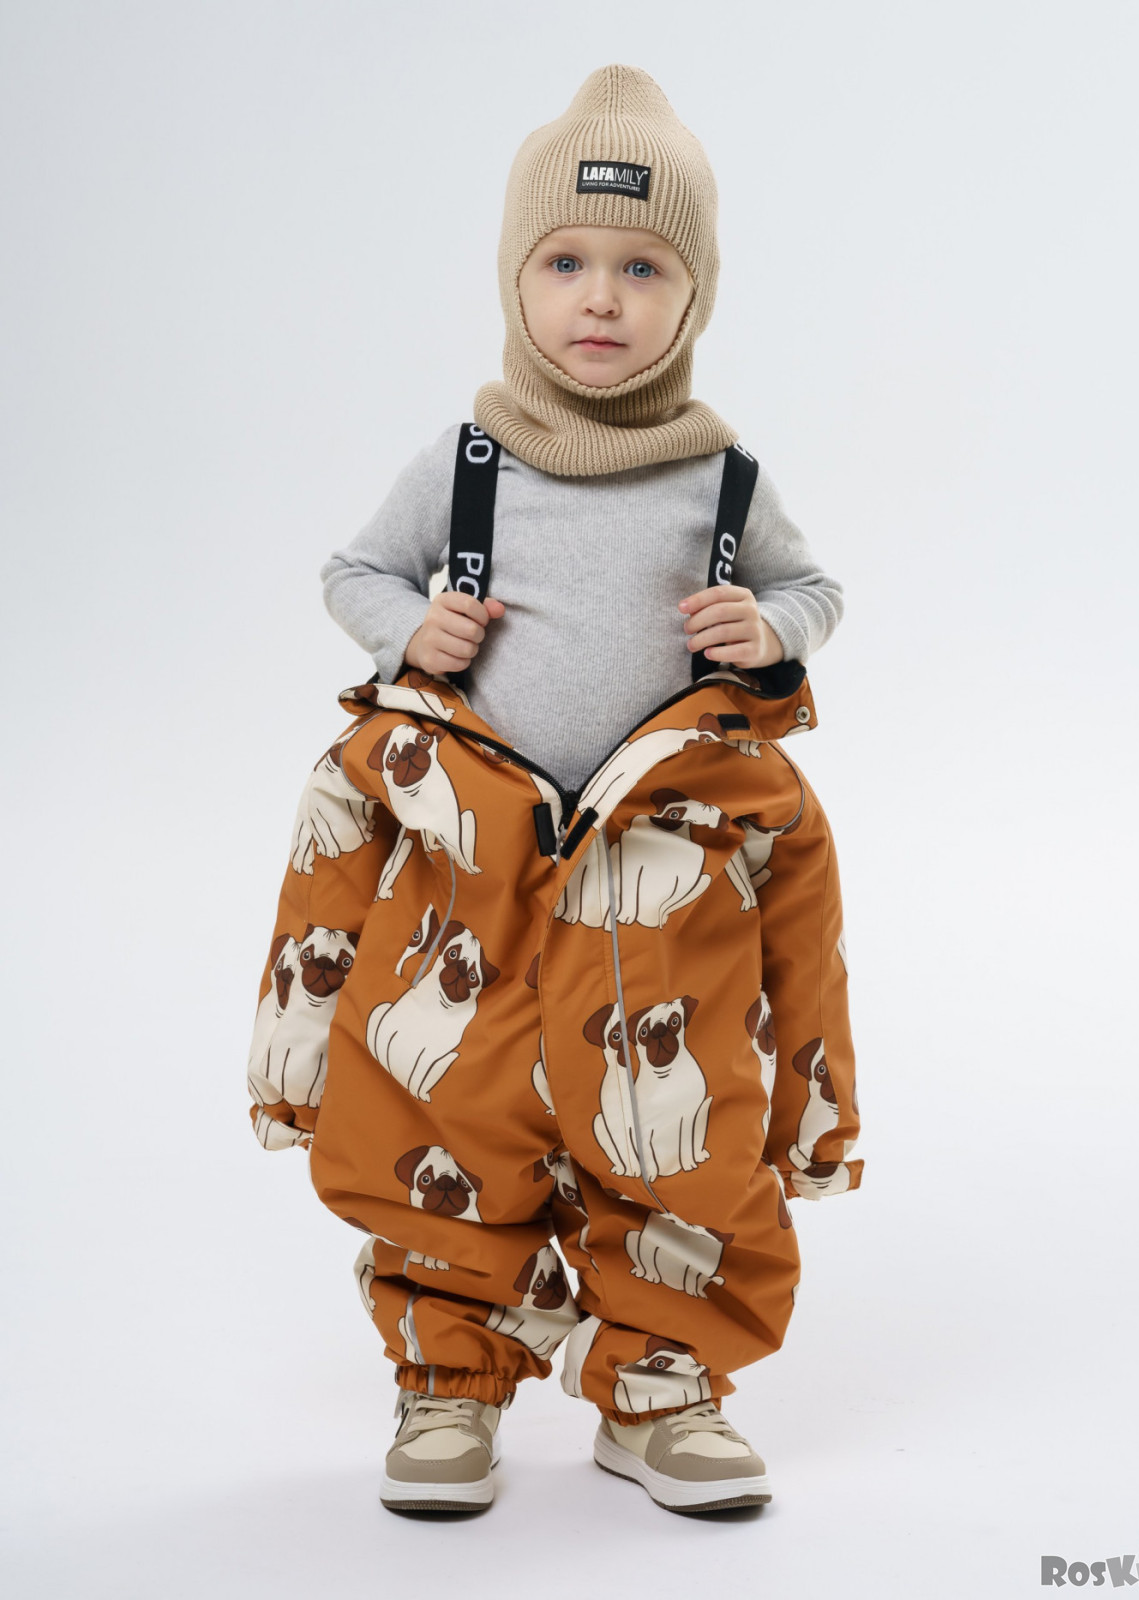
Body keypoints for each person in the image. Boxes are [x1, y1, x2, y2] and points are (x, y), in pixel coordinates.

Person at [246, 62, 862, 1519]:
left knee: (679, 1134)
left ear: (694, 297)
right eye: (566, 262)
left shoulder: (721, 480)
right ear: (515, 281)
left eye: (645, 268)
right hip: (472, 874)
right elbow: (353, 570)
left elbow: (816, 590)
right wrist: (409, 631)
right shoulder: (467, 464)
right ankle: (449, 1382)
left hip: (664, 878)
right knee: (447, 1118)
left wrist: (770, 629)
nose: (602, 298)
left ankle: (661, 1389)